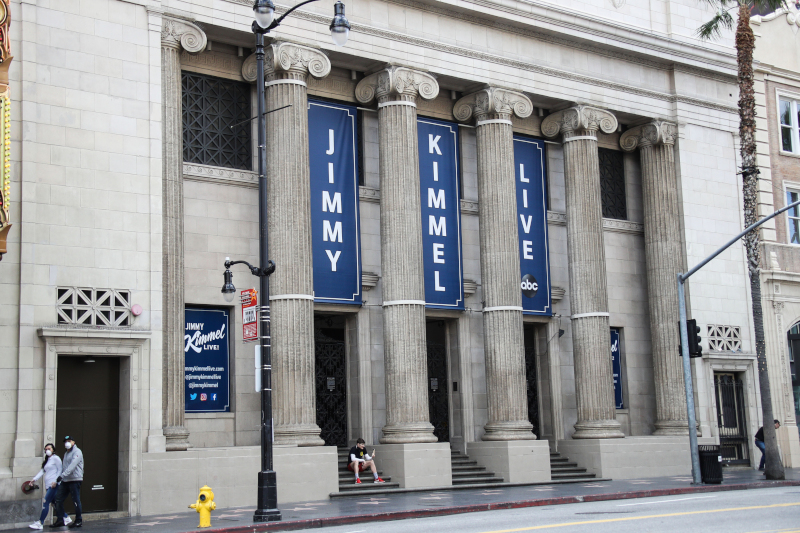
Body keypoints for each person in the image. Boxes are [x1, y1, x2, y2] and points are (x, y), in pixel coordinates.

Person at [28, 443, 72, 530]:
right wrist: (34, 479)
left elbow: (60, 470)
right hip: (48, 485)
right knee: (55, 503)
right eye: (45, 449)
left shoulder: (56, 458)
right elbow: (42, 471)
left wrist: (56, 481)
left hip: (53, 485)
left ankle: (40, 522)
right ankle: (66, 518)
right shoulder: (47, 460)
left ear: (53, 449)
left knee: (46, 502)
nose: (47, 450)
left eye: (49, 448)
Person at [51, 436, 83, 529]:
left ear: (74, 442)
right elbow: (64, 466)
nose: (67, 443)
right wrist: (60, 477)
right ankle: (60, 520)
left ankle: (78, 520)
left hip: (75, 479)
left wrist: (62, 475)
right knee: (58, 499)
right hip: (66, 480)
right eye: (65, 441)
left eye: (69, 441)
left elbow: (72, 465)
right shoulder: (66, 453)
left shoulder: (77, 452)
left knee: (75, 500)